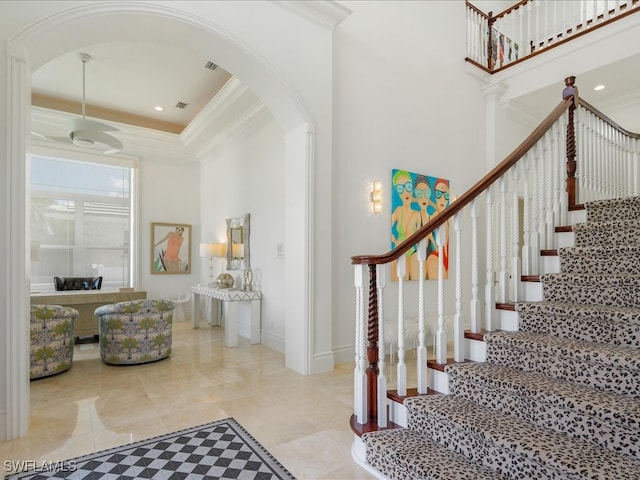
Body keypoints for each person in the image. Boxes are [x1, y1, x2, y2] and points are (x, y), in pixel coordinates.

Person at [390, 170, 420, 280]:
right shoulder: (398, 211)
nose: (405, 191)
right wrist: (393, 239)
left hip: (412, 253)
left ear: (412, 188)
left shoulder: (417, 214)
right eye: (400, 188)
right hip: (398, 253)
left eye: (408, 186)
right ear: (398, 192)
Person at [409, 175, 437, 280]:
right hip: (418, 252)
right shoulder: (416, 215)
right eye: (419, 193)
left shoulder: (432, 216)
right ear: (415, 195)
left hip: (430, 253)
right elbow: (410, 235)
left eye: (427, 193)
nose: (423, 197)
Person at [426, 178, 450, 279]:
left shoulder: (449, 218)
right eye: (438, 194)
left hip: (447, 256)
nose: (442, 198)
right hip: (436, 255)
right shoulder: (434, 216)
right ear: (434, 195)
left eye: (446, 195)